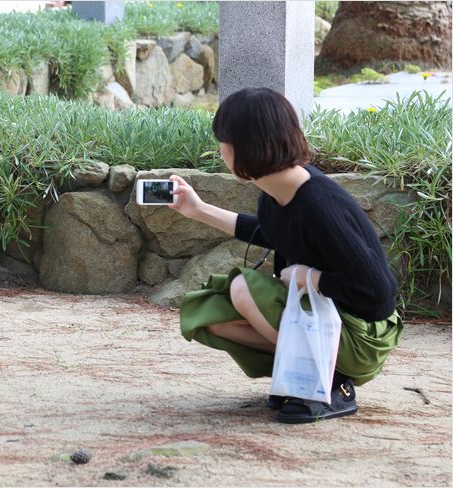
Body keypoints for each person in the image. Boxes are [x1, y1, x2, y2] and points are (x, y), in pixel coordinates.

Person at [168, 87, 403, 424]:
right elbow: (273, 232)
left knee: (242, 289)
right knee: (210, 315)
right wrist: (199, 210)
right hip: (328, 322)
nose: (220, 149)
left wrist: (311, 278)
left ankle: (327, 382)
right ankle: (303, 373)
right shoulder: (275, 191)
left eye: (225, 140)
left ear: (247, 145)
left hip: (365, 335)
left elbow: (379, 290)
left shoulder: (320, 204)